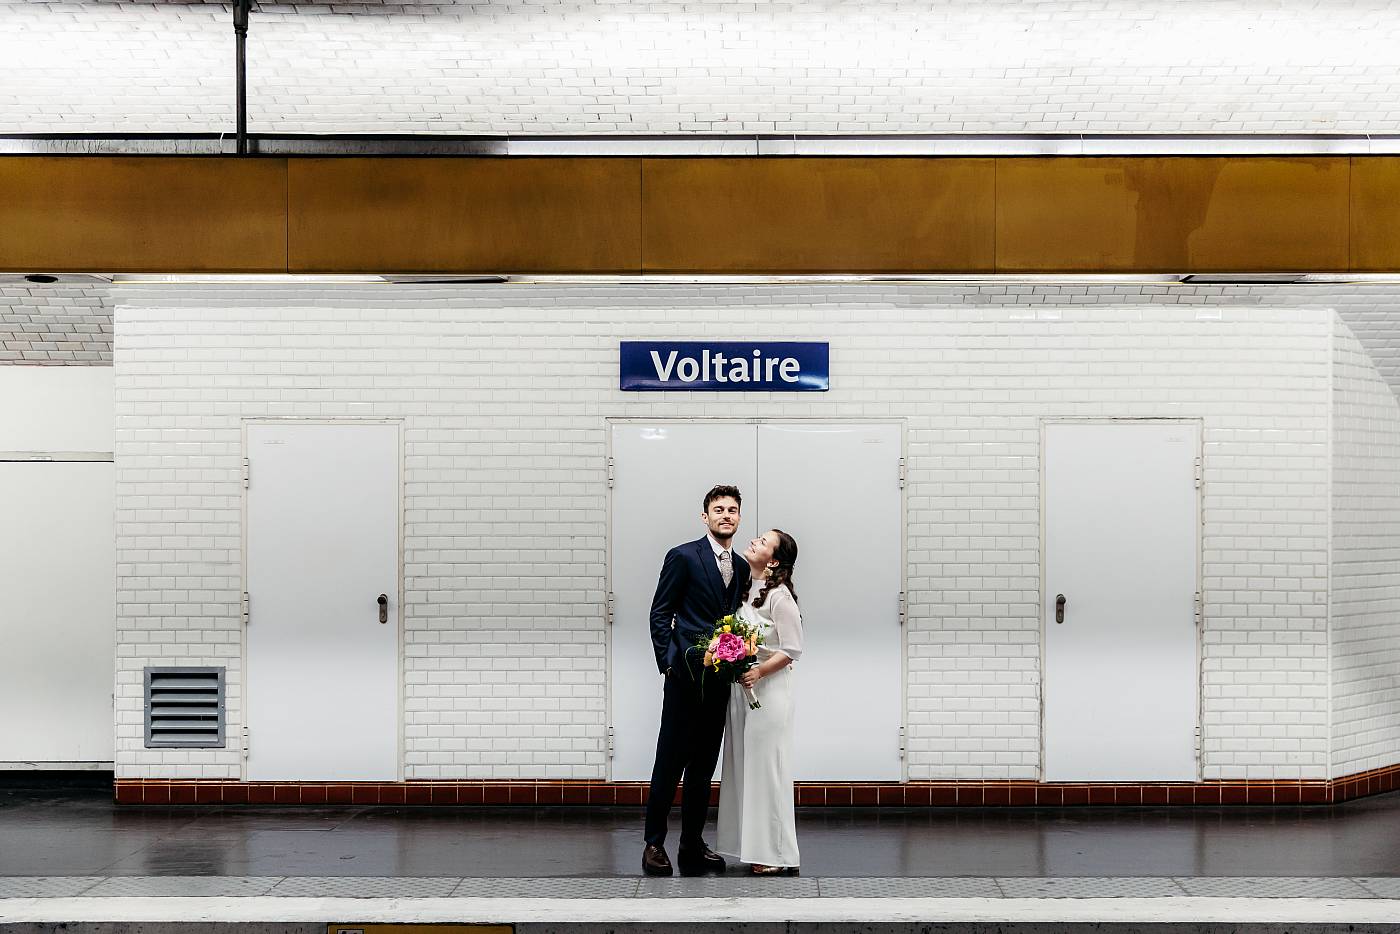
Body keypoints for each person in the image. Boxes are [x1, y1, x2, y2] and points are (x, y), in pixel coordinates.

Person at [642, 484, 753, 877]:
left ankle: (691, 844)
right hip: (685, 675)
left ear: (739, 518)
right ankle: (654, 843)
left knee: (704, 766)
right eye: (719, 509)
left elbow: (733, 620)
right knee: (669, 762)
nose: (726, 515)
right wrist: (668, 663)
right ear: (705, 517)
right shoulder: (683, 556)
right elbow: (661, 612)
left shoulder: (740, 567)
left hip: (720, 680)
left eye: (733, 510)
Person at [716, 528, 802, 876]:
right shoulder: (744, 589)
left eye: (763, 542)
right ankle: (750, 846)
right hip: (743, 691)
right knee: (745, 768)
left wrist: (759, 673)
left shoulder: (780, 597)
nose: (754, 541)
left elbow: (793, 648)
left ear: (775, 559)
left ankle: (777, 853)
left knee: (768, 771)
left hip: (769, 692)